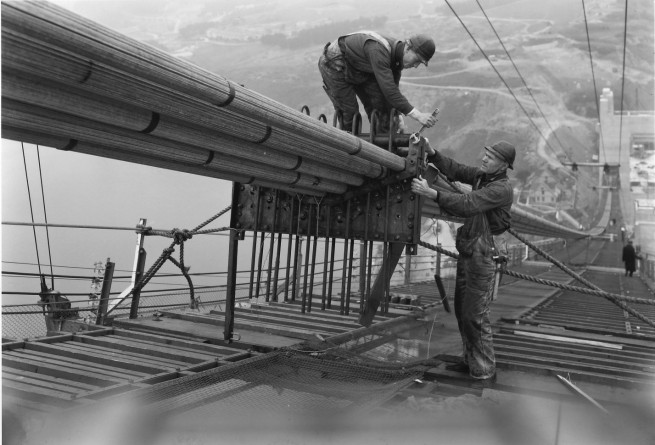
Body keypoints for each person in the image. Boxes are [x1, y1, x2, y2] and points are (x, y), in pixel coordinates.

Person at [411, 140, 516, 385]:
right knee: (462, 310)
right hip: (470, 251)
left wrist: (432, 193)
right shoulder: (483, 177)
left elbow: (468, 204)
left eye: (490, 157)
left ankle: (483, 370)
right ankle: (470, 360)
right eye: (486, 153)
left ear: (503, 165)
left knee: (474, 315)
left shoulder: (501, 189)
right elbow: (456, 169)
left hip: (484, 255)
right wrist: (432, 152)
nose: (485, 159)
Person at [318, 31, 438, 133]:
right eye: (417, 60)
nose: (416, 65)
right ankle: (347, 147)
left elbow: (392, 89)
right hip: (335, 65)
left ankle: (385, 148)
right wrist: (418, 115)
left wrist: (397, 115)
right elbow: (389, 90)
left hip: (361, 68)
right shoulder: (378, 50)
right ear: (407, 48)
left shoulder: (396, 58)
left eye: (420, 63)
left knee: (383, 110)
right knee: (350, 113)